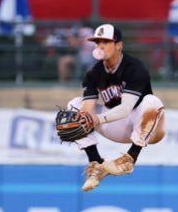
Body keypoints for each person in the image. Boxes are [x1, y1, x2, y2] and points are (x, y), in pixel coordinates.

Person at [63, 23, 165, 191]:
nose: (100, 46)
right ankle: (96, 164)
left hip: (145, 126)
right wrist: (85, 118)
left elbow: (126, 108)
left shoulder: (134, 68)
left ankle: (130, 158)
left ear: (119, 45)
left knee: (152, 102)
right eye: (97, 42)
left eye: (105, 41)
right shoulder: (94, 72)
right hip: (116, 125)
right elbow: (88, 108)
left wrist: (97, 119)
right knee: (74, 106)